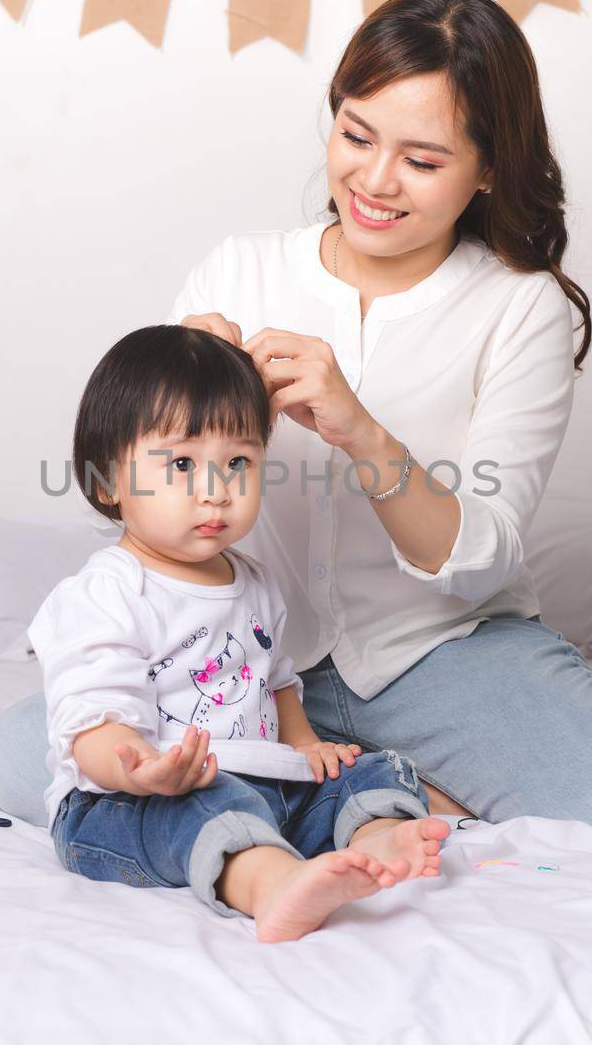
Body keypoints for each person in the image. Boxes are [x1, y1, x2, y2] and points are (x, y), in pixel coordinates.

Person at [0, 0, 592, 833]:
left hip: (441, 654)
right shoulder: (238, 271)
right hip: (245, 656)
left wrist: (359, 429)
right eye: (355, 135)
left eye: (424, 161)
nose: (376, 180)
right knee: (28, 757)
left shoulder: (520, 305)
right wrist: (191, 390)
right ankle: (390, 788)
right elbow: (152, 491)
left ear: (490, 168)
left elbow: (482, 554)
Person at [33, 324, 449, 942]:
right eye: (180, 463)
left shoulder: (251, 580)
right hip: (129, 802)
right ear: (107, 482)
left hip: (260, 779)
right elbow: (92, 719)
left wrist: (305, 744)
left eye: (238, 462)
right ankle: (270, 885)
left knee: (364, 769)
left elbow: (274, 680)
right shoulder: (108, 593)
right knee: (206, 809)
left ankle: (376, 835)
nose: (216, 490)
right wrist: (141, 769)